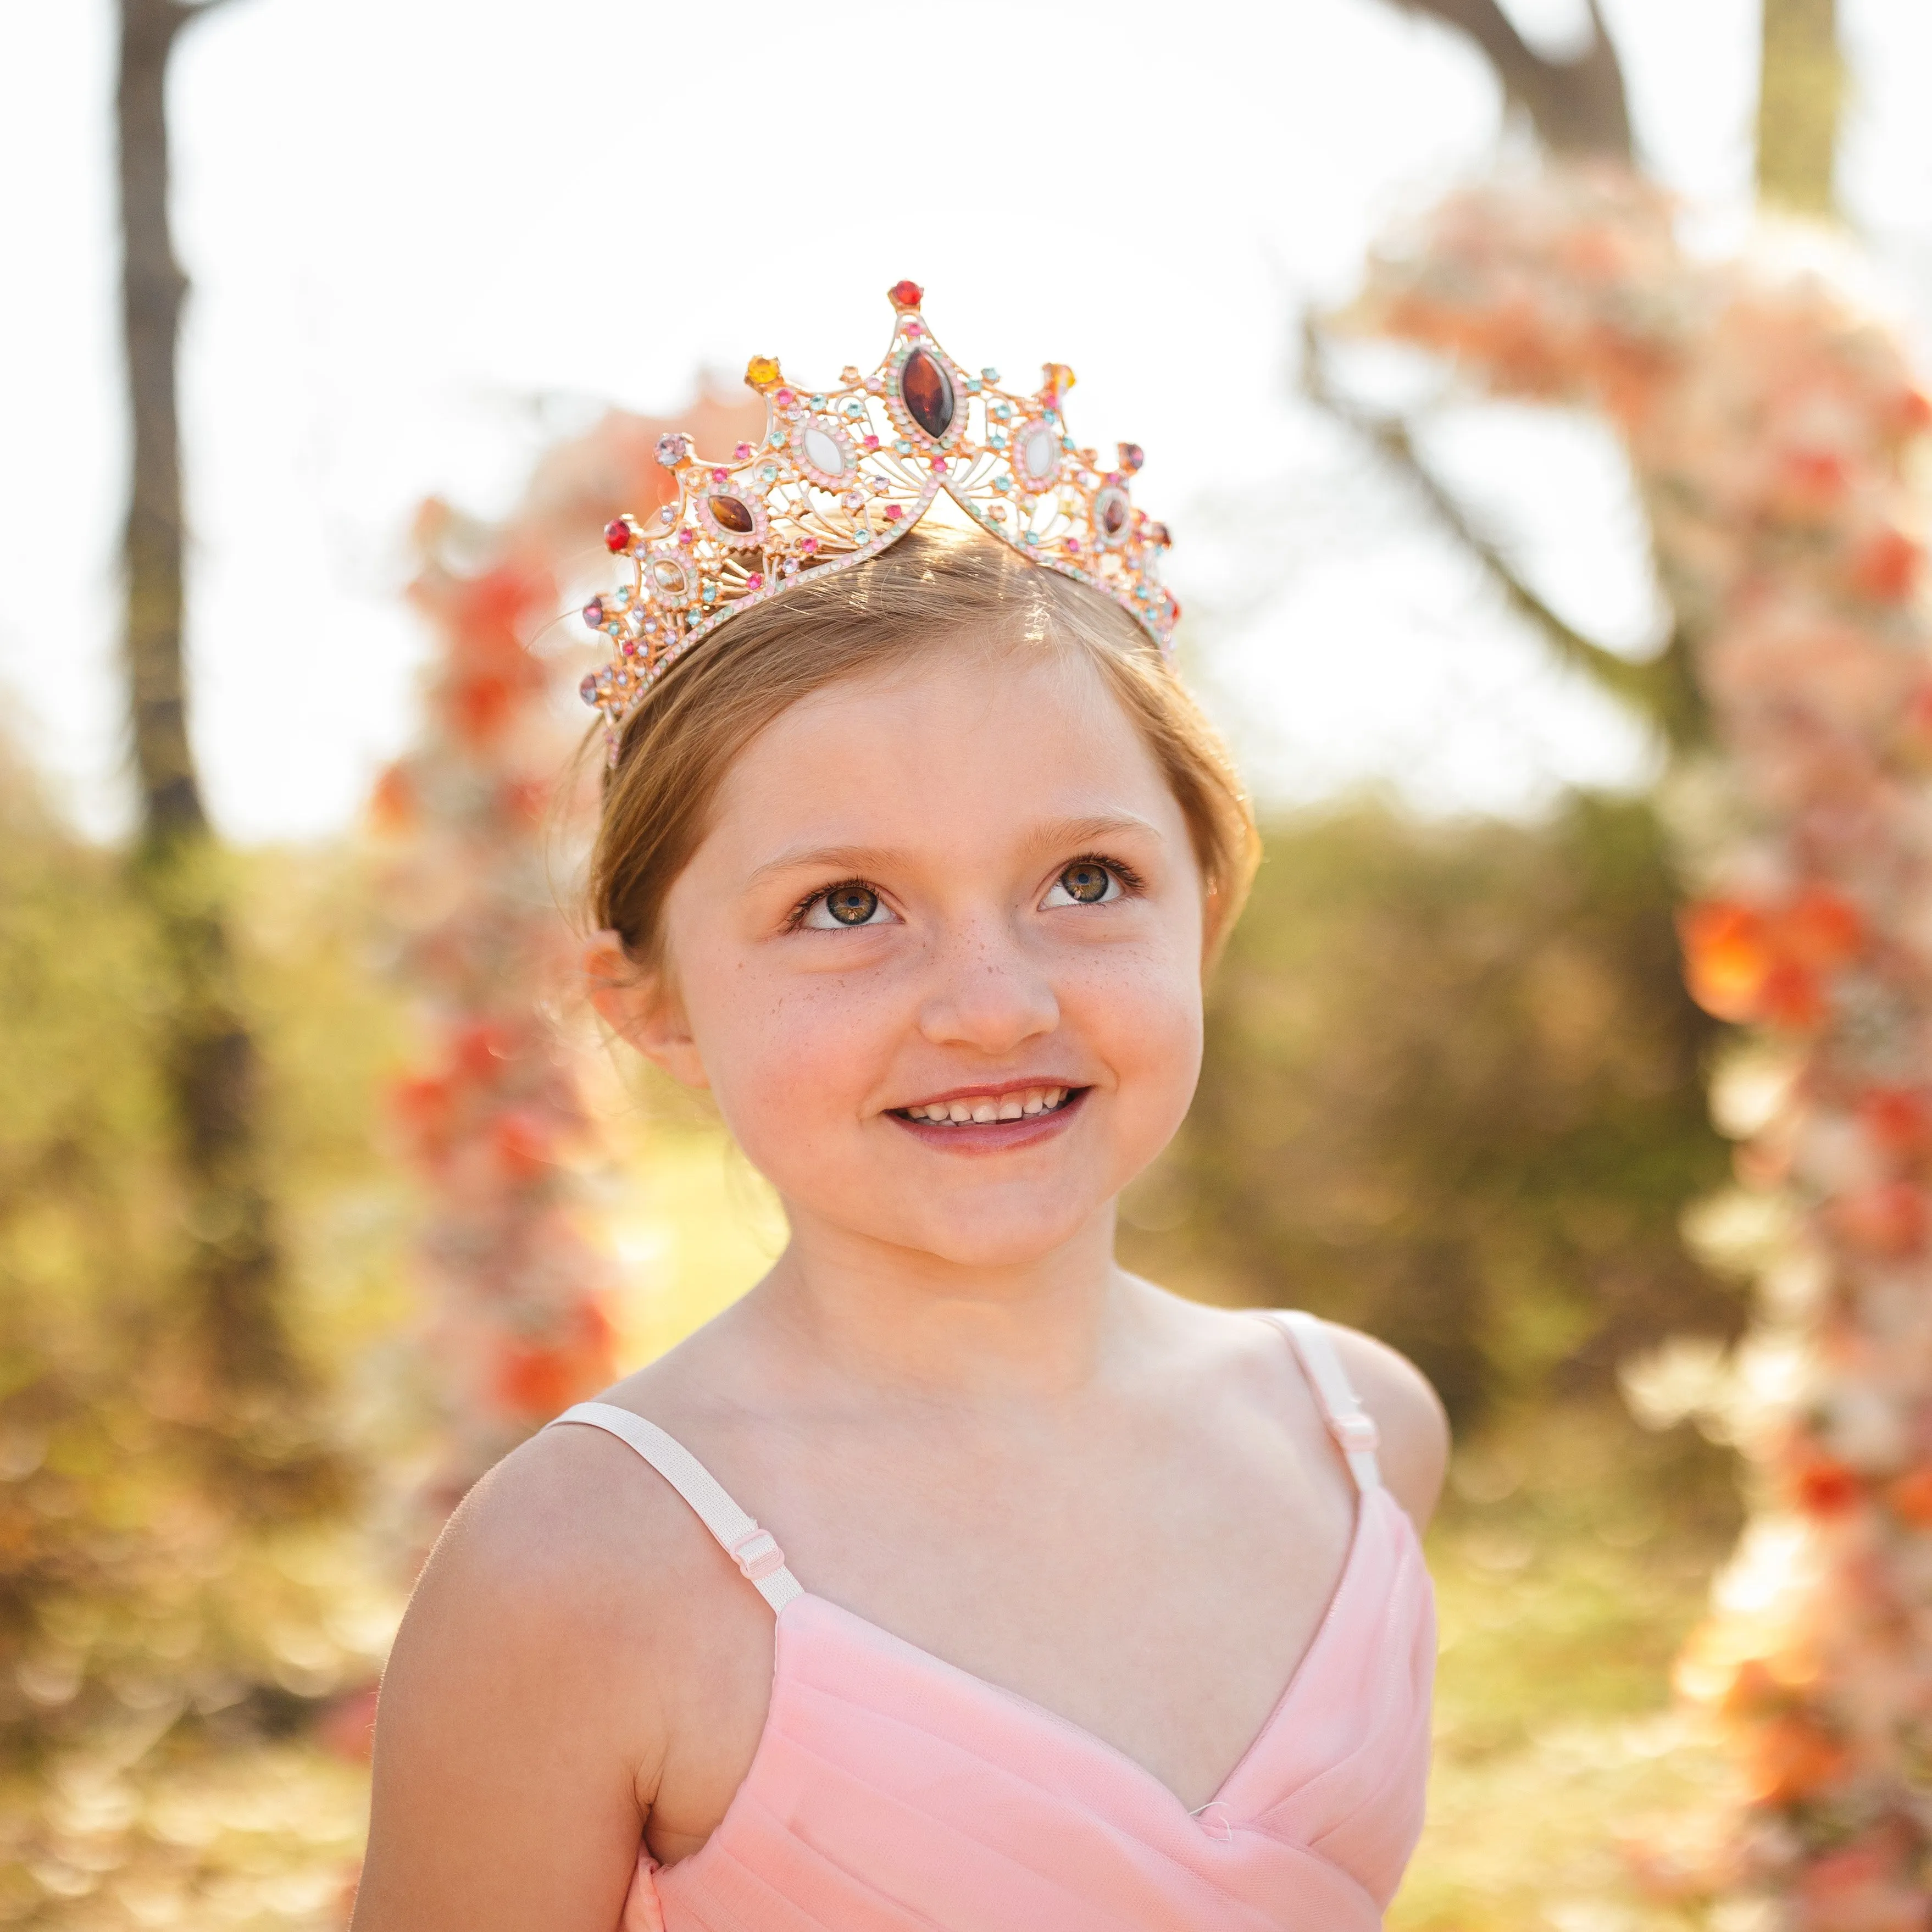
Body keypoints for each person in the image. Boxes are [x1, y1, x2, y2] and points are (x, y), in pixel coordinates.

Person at [351, 286, 1449, 1932]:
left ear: (1203, 911)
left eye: (1086, 877)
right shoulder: (580, 1575)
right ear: (649, 1002)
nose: (994, 1001)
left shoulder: (1355, 1433)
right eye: (846, 905)